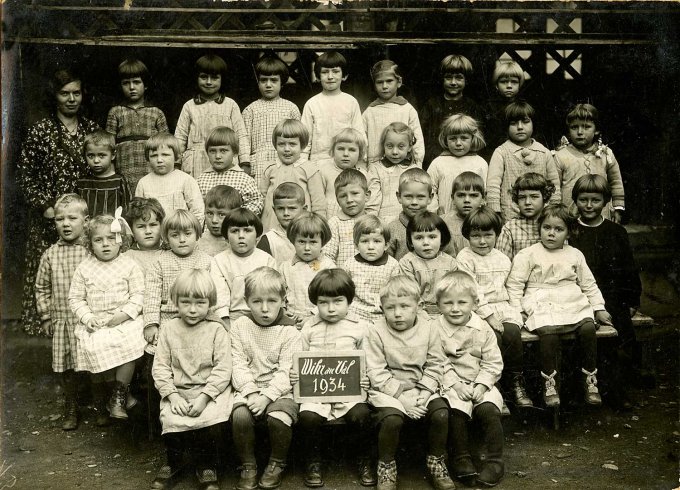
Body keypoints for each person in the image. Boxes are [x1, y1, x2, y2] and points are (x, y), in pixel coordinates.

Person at [17, 67, 99, 336]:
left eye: (76, 93)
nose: (72, 99)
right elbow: (25, 175)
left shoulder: (91, 129)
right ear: (55, 95)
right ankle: (46, 325)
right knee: (50, 271)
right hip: (51, 216)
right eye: (65, 93)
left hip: (82, 216)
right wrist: (45, 207)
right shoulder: (41, 130)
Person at [506, 204, 611, 407]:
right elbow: (515, 284)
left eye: (558, 229)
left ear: (569, 233)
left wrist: (599, 307)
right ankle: (550, 383)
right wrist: (518, 310)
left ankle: (590, 379)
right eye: (547, 228)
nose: (551, 234)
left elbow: (588, 284)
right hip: (541, 298)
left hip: (571, 299)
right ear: (540, 229)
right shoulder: (528, 254)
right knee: (548, 331)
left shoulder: (575, 254)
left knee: (588, 327)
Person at [365, 275, 455, 490]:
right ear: (381, 308)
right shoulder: (375, 331)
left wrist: (424, 394)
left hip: (421, 387)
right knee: (392, 419)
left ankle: (436, 461)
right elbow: (376, 372)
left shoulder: (430, 327)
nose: (397, 313)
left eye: (405, 306)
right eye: (390, 307)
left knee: (440, 413)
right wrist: (403, 399)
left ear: (418, 305)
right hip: (388, 391)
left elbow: (435, 363)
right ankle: (386, 466)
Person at [292, 269, 376, 488]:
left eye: (338, 301)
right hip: (315, 392)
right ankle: (313, 461)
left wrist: (366, 378)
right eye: (323, 302)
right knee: (308, 417)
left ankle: (363, 459)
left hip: (349, 392)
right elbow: (299, 357)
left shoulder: (360, 328)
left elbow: (368, 360)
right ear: (315, 303)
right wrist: (296, 373)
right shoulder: (309, 328)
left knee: (361, 415)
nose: (330, 309)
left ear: (349, 300)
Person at [151, 269, 232, 490]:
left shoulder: (217, 330)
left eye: (200, 303)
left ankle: (207, 466)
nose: (193, 309)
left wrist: (205, 397)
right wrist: (172, 395)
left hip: (210, 391)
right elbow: (160, 367)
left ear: (211, 303)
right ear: (176, 302)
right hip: (178, 389)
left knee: (211, 420)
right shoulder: (169, 329)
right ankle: (174, 462)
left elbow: (223, 368)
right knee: (170, 418)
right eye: (185, 302)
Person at [569, 174, 642, 409]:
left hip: (611, 296)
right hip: (577, 297)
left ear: (606, 202)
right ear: (575, 201)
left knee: (621, 337)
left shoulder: (616, 232)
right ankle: (580, 390)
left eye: (595, 200)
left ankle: (616, 390)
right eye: (583, 200)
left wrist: (632, 299)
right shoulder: (570, 232)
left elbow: (629, 268)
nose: (589, 206)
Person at [69, 213, 146, 421]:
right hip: (97, 322)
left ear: (120, 240)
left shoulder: (129, 265)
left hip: (124, 320)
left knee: (130, 343)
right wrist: (87, 317)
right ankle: (120, 395)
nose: (105, 244)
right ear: (89, 243)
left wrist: (124, 314)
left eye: (111, 239)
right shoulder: (84, 268)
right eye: (98, 240)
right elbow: (75, 298)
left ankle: (118, 396)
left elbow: (139, 294)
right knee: (97, 344)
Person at [230, 267, 301, 490]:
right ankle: (248, 465)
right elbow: (237, 362)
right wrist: (251, 393)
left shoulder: (290, 331)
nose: (264, 308)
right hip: (248, 389)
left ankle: (276, 463)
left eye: (272, 301)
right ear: (246, 301)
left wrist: (267, 397)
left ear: (283, 300)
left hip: (281, 391)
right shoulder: (240, 326)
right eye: (256, 301)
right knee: (241, 416)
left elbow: (287, 370)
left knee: (278, 417)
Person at [457, 207, 533, 410]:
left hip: (502, 307)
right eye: (476, 236)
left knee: (512, 332)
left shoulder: (502, 258)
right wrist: (489, 317)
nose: (482, 241)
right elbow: (471, 291)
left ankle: (515, 381)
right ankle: (494, 387)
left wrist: (518, 310)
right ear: (467, 236)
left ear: (497, 235)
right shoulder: (464, 258)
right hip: (477, 309)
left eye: (488, 235)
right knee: (492, 338)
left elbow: (510, 287)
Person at [434, 271, 505, 487]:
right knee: (455, 412)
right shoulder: (435, 328)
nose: (455, 308)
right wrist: (454, 384)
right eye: (448, 303)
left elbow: (493, 362)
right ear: (438, 304)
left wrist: (482, 384)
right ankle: (461, 458)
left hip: (481, 382)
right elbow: (435, 361)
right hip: (450, 383)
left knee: (489, 410)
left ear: (474, 303)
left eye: (462, 302)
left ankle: (494, 461)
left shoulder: (483, 328)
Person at [34, 194, 91, 430]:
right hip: (63, 320)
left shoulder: (91, 250)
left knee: (91, 362)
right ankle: (71, 405)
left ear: (85, 221)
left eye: (72, 218)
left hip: (88, 320)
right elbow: (41, 287)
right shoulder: (50, 254)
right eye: (59, 219)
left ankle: (99, 403)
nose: (65, 223)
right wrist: (46, 316)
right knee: (67, 366)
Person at [143, 210, 212, 355]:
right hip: (169, 318)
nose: (182, 240)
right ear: (166, 237)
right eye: (175, 235)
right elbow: (151, 295)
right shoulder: (159, 261)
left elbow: (211, 297)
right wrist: (151, 323)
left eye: (187, 234)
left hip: (198, 317)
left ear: (197, 234)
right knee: (163, 351)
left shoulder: (206, 261)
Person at [175, 54, 250, 178]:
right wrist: (176, 163)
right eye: (204, 77)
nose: (209, 82)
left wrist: (245, 161)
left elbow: (241, 135)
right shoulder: (189, 106)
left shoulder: (230, 105)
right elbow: (180, 137)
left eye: (214, 78)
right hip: (195, 163)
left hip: (224, 161)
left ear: (222, 79)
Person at [486, 101, 561, 221]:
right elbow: (493, 185)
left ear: (533, 124)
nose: (520, 127)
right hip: (510, 217)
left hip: (541, 217)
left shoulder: (544, 152)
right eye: (513, 123)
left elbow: (554, 184)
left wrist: (553, 210)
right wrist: (495, 212)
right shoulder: (501, 152)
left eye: (525, 122)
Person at [553, 103, 625, 223]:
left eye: (586, 127)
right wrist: (556, 212)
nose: (580, 132)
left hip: (600, 213)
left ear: (596, 130)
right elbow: (554, 187)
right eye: (574, 127)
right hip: (569, 215)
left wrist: (617, 208)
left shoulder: (605, 154)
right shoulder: (560, 156)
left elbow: (616, 182)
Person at [106, 58, 169, 193]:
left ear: (145, 85)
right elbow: (109, 146)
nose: (132, 87)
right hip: (123, 168)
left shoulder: (156, 112)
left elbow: (167, 145)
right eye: (126, 83)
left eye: (136, 82)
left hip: (150, 168)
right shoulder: (116, 112)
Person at [211, 208, 277, 328]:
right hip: (232, 318)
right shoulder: (219, 261)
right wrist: (225, 321)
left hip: (262, 316)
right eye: (235, 231)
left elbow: (274, 293)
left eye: (247, 230)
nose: (241, 236)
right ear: (226, 237)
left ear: (257, 235)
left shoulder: (267, 260)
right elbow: (220, 295)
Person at [242, 55, 301, 184]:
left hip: (284, 160)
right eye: (264, 80)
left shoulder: (291, 108)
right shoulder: (250, 110)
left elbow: (299, 139)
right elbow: (244, 141)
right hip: (258, 163)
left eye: (274, 80)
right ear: (258, 82)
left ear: (282, 82)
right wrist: (245, 163)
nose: (268, 85)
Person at [420, 54, 485, 167]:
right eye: (449, 77)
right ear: (442, 79)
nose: (453, 82)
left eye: (459, 77)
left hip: (465, 160)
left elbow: (476, 136)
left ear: (466, 80)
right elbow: (424, 135)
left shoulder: (472, 106)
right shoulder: (432, 105)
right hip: (437, 159)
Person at [260, 119, 325, 230]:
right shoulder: (270, 168)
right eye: (281, 144)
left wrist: (318, 227)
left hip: (301, 227)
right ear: (275, 145)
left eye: (292, 144)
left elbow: (318, 203)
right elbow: (261, 197)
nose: (286, 149)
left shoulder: (310, 169)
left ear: (302, 145)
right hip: (271, 225)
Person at [301, 51, 363, 162]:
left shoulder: (351, 102)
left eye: (335, 71)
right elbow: (305, 141)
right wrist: (303, 166)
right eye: (325, 72)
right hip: (318, 163)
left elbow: (359, 136)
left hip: (345, 163)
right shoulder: (312, 104)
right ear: (318, 76)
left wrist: (360, 163)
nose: (330, 77)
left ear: (344, 75)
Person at [362, 60, 425, 166]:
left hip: (403, 166)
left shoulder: (407, 110)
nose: (384, 86)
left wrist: (417, 165)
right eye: (379, 82)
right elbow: (362, 141)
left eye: (389, 81)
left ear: (399, 82)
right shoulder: (369, 112)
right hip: (375, 167)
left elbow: (417, 141)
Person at [135, 133, 205, 226]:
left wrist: (190, 234)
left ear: (176, 156)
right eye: (154, 155)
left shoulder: (186, 180)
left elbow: (198, 212)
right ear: (148, 158)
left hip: (180, 234)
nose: (159, 160)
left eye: (165, 155)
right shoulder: (143, 183)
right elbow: (137, 214)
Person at [399, 211, 458, 318]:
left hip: (445, 311)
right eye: (419, 238)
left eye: (432, 237)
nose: (426, 242)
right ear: (411, 241)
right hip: (417, 311)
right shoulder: (407, 263)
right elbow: (409, 293)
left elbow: (453, 292)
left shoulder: (450, 262)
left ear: (441, 239)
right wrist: (421, 313)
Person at [279, 212, 335, 326]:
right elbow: (279, 294)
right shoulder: (285, 267)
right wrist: (283, 311)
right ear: (293, 241)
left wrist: (313, 315)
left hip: (319, 319)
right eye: (301, 242)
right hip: (290, 321)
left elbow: (332, 297)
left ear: (322, 242)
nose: (307, 248)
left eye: (313, 242)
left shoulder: (328, 267)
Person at [343, 215, 400, 323]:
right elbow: (340, 291)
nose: (370, 247)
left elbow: (395, 294)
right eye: (364, 241)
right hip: (354, 314)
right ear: (356, 245)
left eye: (377, 241)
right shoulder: (349, 265)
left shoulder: (393, 265)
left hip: (382, 315)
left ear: (386, 245)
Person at [195, 126, 263, 215]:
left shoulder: (244, 179)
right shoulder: (201, 180)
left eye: (223, 151)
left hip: (234, 226)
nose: (218, 156)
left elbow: (256, 203)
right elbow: (196, 207)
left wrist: (237, 217)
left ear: (235, 153)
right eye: (212, 151)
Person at [428, 114, 487, 215]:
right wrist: (434, 212)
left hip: (473, 218)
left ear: (472, 138)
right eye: (453, 138)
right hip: (444, 216)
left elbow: (485, 192)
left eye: (464, 138)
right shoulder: (438, 163)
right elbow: (429, 189)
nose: (458, 143)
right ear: (446, 139)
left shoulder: (480, 163)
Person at [317, 128, 381, 217]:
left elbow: (372, 203)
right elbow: (318, 202)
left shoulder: (364, 175)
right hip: (330, 220)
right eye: (341, 149)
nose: (346, 154)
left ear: (360, 153)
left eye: (352, 150)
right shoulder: (324, 171)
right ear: (333, 150)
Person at [496, 172, 554, 261]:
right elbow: (502, 263)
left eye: (534, 197)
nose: (527, 202)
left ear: (544, 197)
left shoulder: (553, 225)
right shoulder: (510, 228)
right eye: (522, 197)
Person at [76, 130, 132, 217]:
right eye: (91, 156)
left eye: (102, 155)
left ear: (113, 155)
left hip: (112, 229)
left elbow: (128, 210)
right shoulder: (82, 183)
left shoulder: (119, 181)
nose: (96, 160)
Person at [373, 122, 419, 223]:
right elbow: (372, 202)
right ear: (383, 145)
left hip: (410, 221)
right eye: (389, 146)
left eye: (401, 146)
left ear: (409, 147)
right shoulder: (376, 169)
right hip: (384, 221)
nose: (394, 152)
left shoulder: (415, 170)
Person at [323, 169, 370, 268]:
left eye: (355, 193)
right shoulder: (334, 223)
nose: (349, 200)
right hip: (343, 279)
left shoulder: (373, 222)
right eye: (343, 196)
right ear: (337, 200)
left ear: (367, 195)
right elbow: (327, 256)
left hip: (369, 276)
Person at [386, 168, 434, 261]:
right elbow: (386, 263)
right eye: (408, 196)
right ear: (399, 197)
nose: (414, 202)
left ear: (430, 198)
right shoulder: (391, 229)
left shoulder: (437, 226)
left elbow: (448, 256)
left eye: (420, 197)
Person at [484, 60, 526, 156]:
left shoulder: (523, 106)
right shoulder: (489, 107)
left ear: (520, 85)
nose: (509, 86)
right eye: (504, 82)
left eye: (514, 82)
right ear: (496, 85)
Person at [257, 183, 305, 265]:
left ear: (304, 209)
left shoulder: (313, 235)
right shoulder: (268, 240)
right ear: (274, 209)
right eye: (281, 208)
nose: (286, 213)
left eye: (292, 208)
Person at [441, 171, 486, 256]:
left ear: (483, 198)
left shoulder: (488, 221)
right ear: (452, 198)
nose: (467, 200)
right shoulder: (443, 222)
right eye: (461, 195)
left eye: (473, 195)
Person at [197, 185, 242, 257]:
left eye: (221, 214)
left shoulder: (240, 242)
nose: (214, 220)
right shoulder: (198, 242)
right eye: (210, 213)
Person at [123, 197, 165, 271]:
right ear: (132, 231)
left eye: (153, 225)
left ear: (162, 226)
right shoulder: (127, 258)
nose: (148, 231)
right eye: (141, 226)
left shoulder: (170, 253)